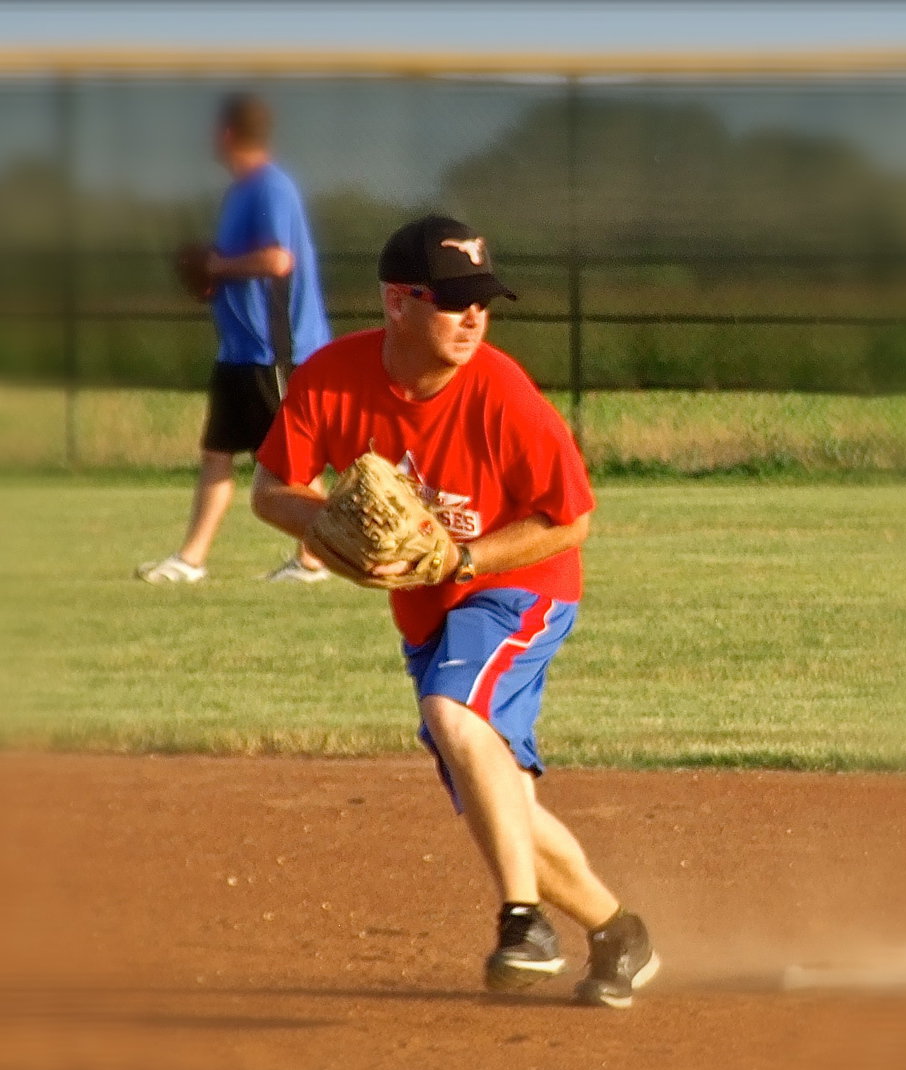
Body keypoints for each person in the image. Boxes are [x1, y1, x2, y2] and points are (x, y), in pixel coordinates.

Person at [250, 214, 659, 1008]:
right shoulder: (332, 379)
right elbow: (272, 490)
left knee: (451, 712)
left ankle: (522, 922)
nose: (473, 317)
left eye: (483, 300)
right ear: (396, 302)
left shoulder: (503, 391)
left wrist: (463, 558)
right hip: (428, 614)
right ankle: (617, 931)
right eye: (452, 301)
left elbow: (570, 517)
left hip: (521, 590)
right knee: (494, 791)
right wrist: (325, 525)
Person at [137, 91, 332, 585]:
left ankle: (316, 559)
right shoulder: (241, 190)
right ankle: (191, 559)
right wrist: (214, 277)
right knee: (217, 452)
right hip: (240, 348)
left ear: (226, 134)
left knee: (296, 460)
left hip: (273, 349)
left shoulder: (270, 187)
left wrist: (218, 265)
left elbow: (277, 260)